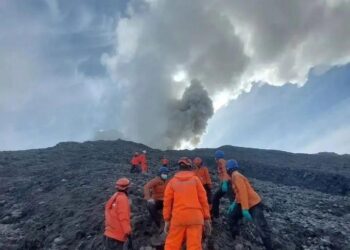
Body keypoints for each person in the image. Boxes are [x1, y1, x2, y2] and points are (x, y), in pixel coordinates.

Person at [163, 157, 211, 250]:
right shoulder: (196, 180)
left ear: (179, 167)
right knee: (194, 246)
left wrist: (167, 220)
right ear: (190, 167)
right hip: (195, 218)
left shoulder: (172, 182)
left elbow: (167, 202)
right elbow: (203, 200)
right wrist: (207, 218)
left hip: (178, 218)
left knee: (171, 245)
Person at [226, 159, 272, 250]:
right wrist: (234, 203)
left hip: (254, 204)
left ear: (229, 168)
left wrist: (245, 209)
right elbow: (239, 193)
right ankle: (236, 238)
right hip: (245, 203)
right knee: (232, 216)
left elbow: (243, 192)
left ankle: (269, 248)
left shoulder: (236, 176)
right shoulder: (235, 176)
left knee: (261, 227)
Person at [104, 178, 132, 250]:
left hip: (109, 233)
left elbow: (107, 210)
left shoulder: (115, 196)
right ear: (127, 188)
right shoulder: (123, 199)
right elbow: (123, 217)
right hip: (117, 236)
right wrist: (128, 231)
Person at [212, 150, 232, 218]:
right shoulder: (222, 162)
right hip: (227, 183)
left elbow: (225, 172)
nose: (215, 159)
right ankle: (216, 215)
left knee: (216, 197)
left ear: (217, 157)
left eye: (215, 157)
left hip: (228, 183)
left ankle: (216, 215)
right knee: (217, 197)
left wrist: (225, 183)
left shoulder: (221, 161)